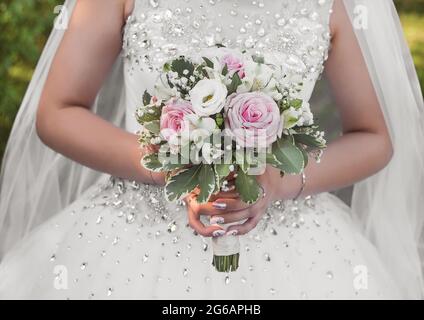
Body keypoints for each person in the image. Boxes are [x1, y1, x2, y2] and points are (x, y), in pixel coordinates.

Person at [0, 0, 423, 299]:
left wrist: (276, 181)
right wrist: (172, 169)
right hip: (136, 235)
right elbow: (58, 111)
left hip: (294, 246)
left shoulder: (329, 5)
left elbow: (374, 137)